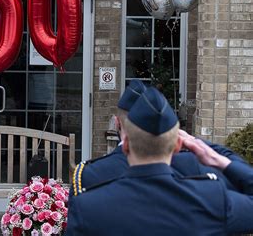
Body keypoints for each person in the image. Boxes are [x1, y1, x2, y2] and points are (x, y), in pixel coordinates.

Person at [65, 87, 253, 235]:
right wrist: (216, 158)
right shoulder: (211, 199)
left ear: (126, 144)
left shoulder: (89, 208)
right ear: (178, 145)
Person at [71, 79, 244, 197]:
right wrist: (202, 147)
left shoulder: (87, 174)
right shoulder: (192, 165)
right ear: (177, 140)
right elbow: (242, 186)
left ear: (117, 124)